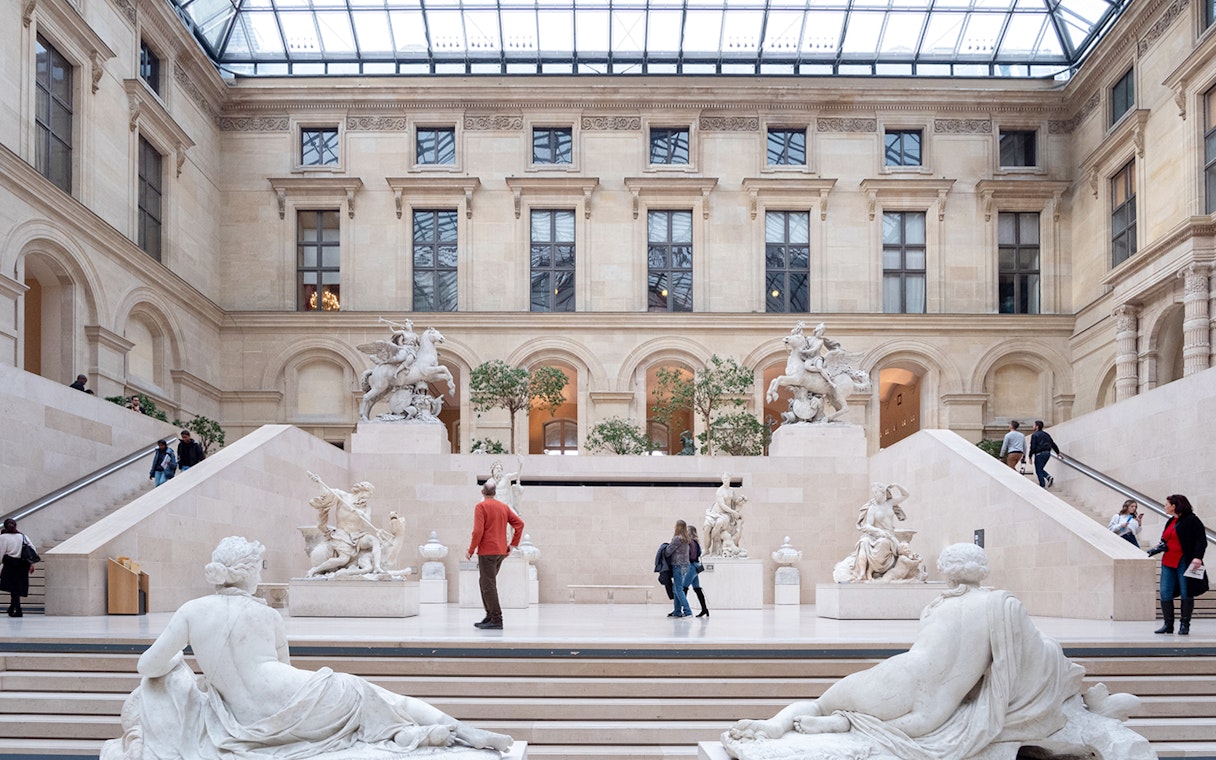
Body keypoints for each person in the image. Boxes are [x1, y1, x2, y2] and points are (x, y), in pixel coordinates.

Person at [99, 537, 512, 760]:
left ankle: (423, 733)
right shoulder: (266, 616)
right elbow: (284, 668)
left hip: (246, 721)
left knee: (374, 705)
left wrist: (180, 666)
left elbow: (147, 665)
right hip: (297, 698)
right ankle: (458, 730)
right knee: (378, 696)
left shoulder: (191, 611)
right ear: (245, 575)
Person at [466, 480, 524, 630]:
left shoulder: (481, 506)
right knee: (485, 583)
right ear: (495, 493)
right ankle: (490, 616)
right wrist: (512, 544)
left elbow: (478, 531)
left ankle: (497, 619)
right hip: (500, 551)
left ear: (482, 492)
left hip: (487, 551)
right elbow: (519, 524)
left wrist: (471, 550)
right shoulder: (503, 507)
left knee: (488, 585)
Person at [1147, 494, 1207, 635]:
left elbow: (1201, 541)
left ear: (1174, 506)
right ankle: (1168, 625)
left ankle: (1184, 625)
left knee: (1186, 592)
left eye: (1167, 504)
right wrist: (1160, 546)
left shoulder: (1192, 520)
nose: (1165, 506)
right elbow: (1166, 539)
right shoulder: (1170, 521)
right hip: (1168, 561)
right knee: (1165, 592)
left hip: (1185, 561)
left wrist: (1198, 557)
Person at [0, 519, 35, 618]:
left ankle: (18, 610)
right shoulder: (23, 536)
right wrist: (31, 564)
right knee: (17, 587)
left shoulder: (3, 537)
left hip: (10, 564)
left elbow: (1, 552)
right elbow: (32, 549)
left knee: (13, 587)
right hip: (23, 564)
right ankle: (12, 608)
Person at [663, 520, 694, 618]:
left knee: (678, 589)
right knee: (676, 588)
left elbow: (668, 551)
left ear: (678, 527)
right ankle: (677, 611)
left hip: (678, 565)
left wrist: (665, 547)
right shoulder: (687, 539)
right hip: (686, 565)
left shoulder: (677, 539)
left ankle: (688, 611)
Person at [684, 524, 709, 617]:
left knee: (683, 588)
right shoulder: (696, 542)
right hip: (696, 567)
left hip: (692, 567)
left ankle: (684, 610)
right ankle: (704, 609)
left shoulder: (691, 543)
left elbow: (692, 556)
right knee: (697, 588)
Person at [1028, 420, 1060, 488]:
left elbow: (1032, 446)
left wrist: (1030, 456)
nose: (1033, 426)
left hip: (1039, 454)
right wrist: (1058, 452)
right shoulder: (1046, 434)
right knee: (1040, 469)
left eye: (1034, 425)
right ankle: (1048, 477)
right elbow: (1052, 444)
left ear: (1037, 426)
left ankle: (1042, 485)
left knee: (1038, 470)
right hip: (1047, 453)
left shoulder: (1034, 435)